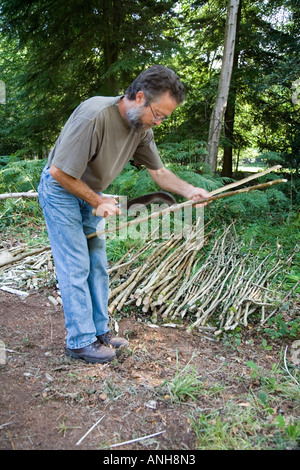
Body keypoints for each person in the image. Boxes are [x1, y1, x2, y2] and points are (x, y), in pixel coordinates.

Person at [38, 65, 209, 364]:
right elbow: (59, 172)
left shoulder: (141, 128)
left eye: (163, 118)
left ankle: (99, 332)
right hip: (61, 190)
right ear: (139, 97)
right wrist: (97, 199)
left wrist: (189, 190)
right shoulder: (94, 115)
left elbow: (159, 171)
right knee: (75, 263)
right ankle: (79, 341)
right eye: (158, 114)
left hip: (90, 194)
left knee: (97, 264)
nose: (158, 121)